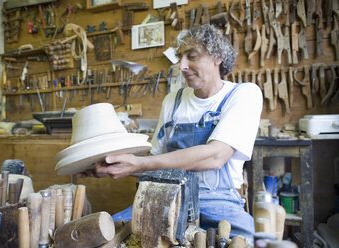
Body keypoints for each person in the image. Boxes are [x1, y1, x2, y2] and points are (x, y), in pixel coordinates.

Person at [78, 24, 263, 240]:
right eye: (180, 57)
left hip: (217, 202)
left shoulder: (244, 94)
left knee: (250, 242)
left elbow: (215, 156)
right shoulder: (173, 101)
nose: (182, 66)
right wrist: (115, 166)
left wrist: (138, 164)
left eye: (192, 56)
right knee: (103, 238)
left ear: (218, 57)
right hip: (163, 199)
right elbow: (156, 163)